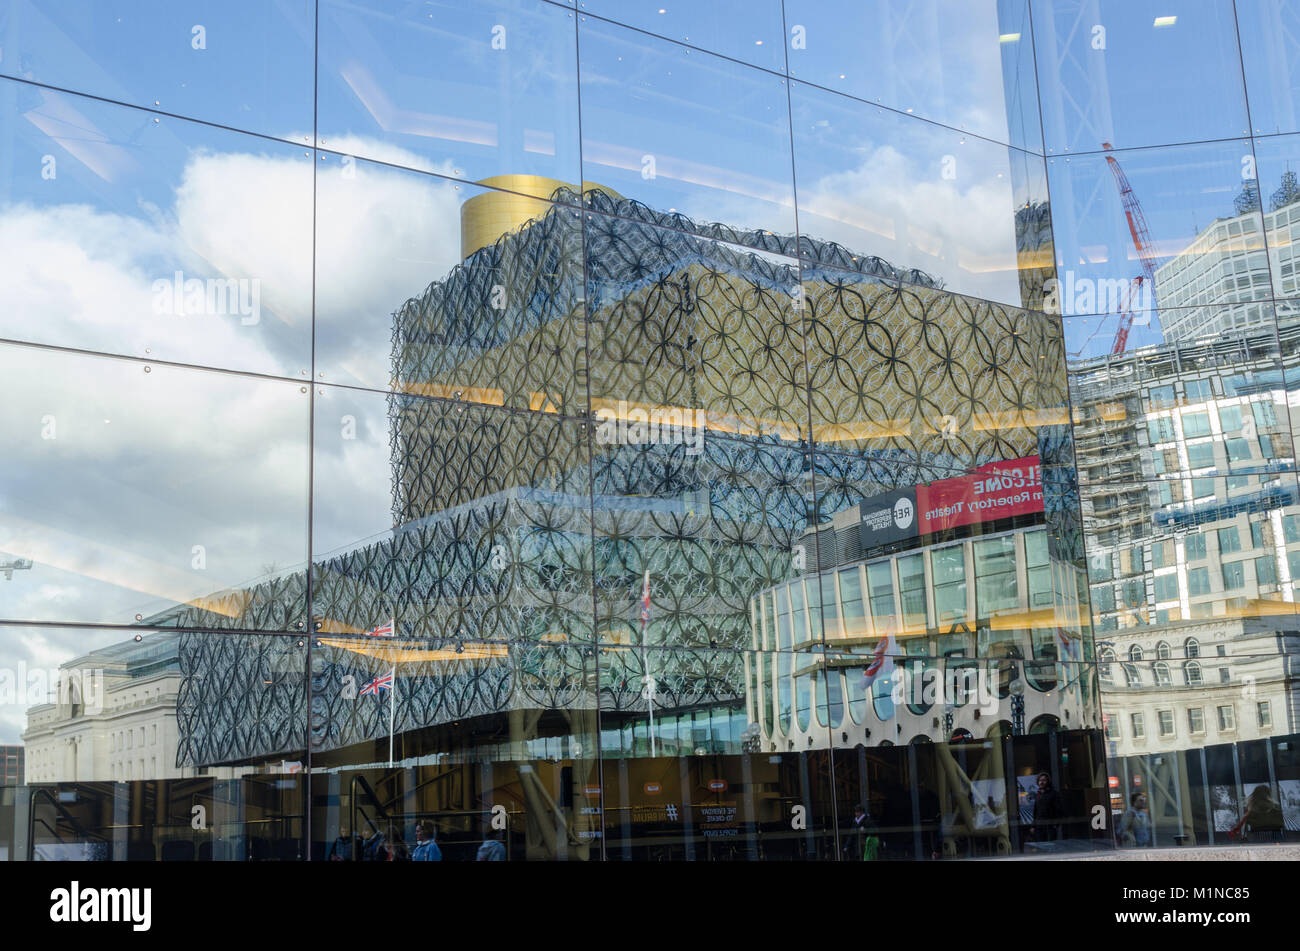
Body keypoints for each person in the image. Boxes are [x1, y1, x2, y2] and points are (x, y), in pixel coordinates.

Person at [1030, 772, 1065, 843]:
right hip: (1039, 826)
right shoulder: (1038, 794)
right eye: (1040, 780)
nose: (1041, 782)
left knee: (1051, 846)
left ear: (1048, 782)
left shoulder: (1054, 794)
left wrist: (1056, 824)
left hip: (1050, 826)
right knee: (1041, 846)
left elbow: (1059, 810)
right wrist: (1033, 826)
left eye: (1044, 780)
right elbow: (1035, 811)